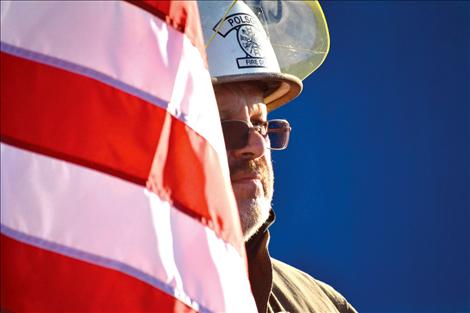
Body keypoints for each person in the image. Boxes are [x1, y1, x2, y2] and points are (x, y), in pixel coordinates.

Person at [199, 1, 358, 312]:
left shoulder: (322, 305)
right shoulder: (102, 289)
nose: (256, 146)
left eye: (260, 124)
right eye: (221, 125)